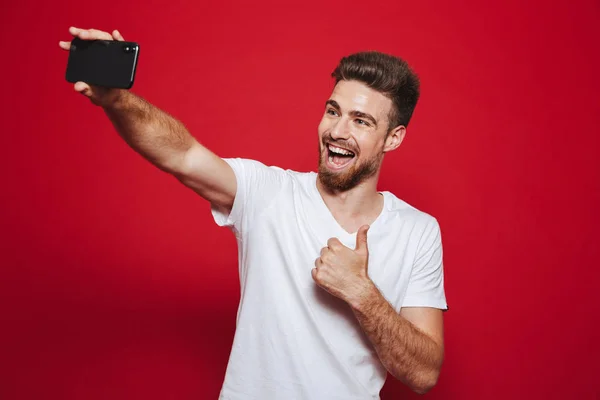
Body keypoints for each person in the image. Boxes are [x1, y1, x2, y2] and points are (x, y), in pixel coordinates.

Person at [59, 26, 449, 399]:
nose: (337, 131)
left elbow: (424, 374)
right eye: (333, 111)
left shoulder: (417, 231)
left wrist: (362, 293)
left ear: (392, 138)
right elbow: (182, 155)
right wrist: (118, 100)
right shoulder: (269, 193)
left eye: (360, 121)